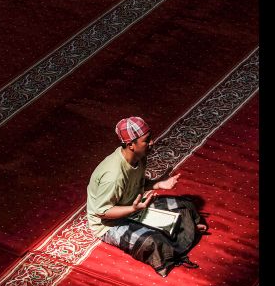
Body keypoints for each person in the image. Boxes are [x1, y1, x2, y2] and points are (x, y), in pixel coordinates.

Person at [86, 116, 208, 277]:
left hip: (133, 207)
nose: (152, 143)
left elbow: (137, 183)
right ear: (131, 145)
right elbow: (102, 212)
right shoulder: (113, 176)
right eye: (146, 140)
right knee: (152, 242)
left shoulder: (138, 156)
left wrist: (157, 184)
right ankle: (183, 236)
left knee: (185, 205)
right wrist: (133, 208)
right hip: (109, 224)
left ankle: (187, 230)